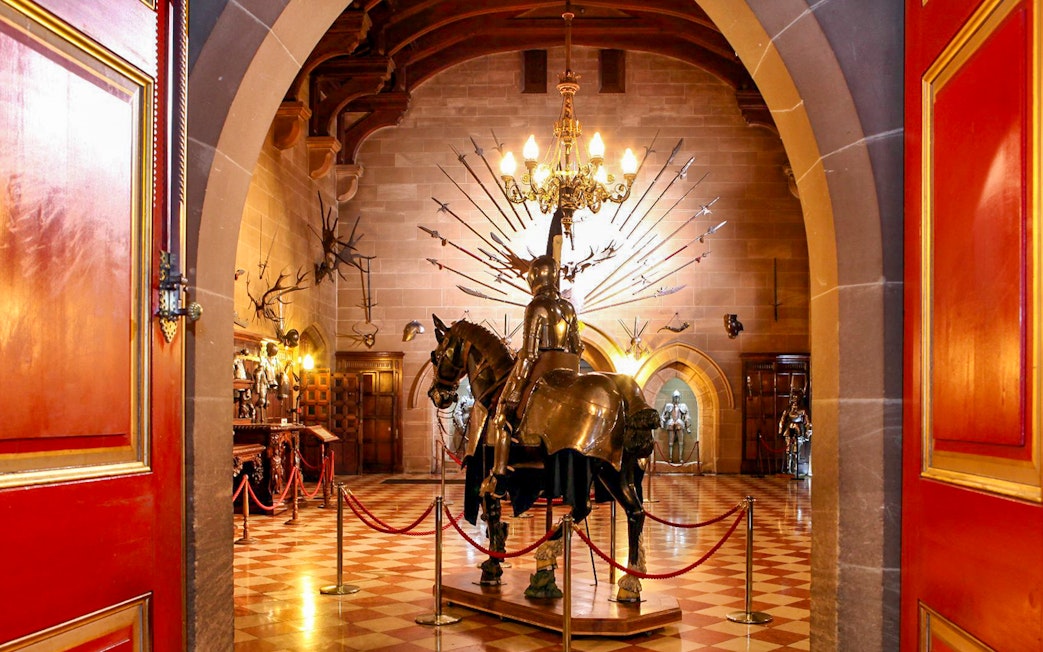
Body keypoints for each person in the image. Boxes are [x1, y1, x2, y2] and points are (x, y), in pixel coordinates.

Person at [481, 254, 582, 497]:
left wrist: (514, 390)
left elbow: (528, 354)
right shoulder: (568, 308)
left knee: (502, 417)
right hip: (567, 375)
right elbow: (577, 347)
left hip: (541, 375)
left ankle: (500, 476)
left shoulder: (536, 307)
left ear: (534, 278)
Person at [778, 388, 812, 476]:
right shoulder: (788, 409)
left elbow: (808, 422)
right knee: (788, 449)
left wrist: (808, 432)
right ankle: (789, 467)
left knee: (797, 449)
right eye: (794, 398)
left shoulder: (803, 410)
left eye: (796, 398)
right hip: (789, 428)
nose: (795, 400)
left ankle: (796, 467)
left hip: (799, 429)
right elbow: (782, 420)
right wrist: (780, 430)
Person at [661, 390, 691, 463]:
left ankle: (680, 458)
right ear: (673, 398)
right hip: (671, 424)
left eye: (677, 397)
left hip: (679, 424)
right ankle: (670, 458)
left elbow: (687, 415)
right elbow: (663, 415)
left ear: (679, 398)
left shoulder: (683, 406)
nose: (676, 399)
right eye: (675, 397)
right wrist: (662, 421)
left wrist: (687, 426)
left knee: (681, 442)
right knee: (670, 443)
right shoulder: (669, 406)